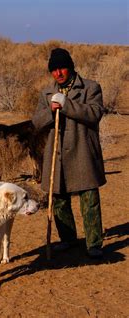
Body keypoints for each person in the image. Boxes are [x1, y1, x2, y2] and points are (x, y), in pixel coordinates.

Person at [32, 48, 106, 259]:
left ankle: (94, 244)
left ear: (71, 67)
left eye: (62, 68)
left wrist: (67, 105)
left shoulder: (90, 87)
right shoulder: (47, 93)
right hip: (56, 155)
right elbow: (36, 122)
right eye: (54, 70)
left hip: (82, 151)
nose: (58, 73)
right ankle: (68, 240)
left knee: (89, 200)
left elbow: (95, 113)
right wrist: (51, 110)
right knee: (59, 201)